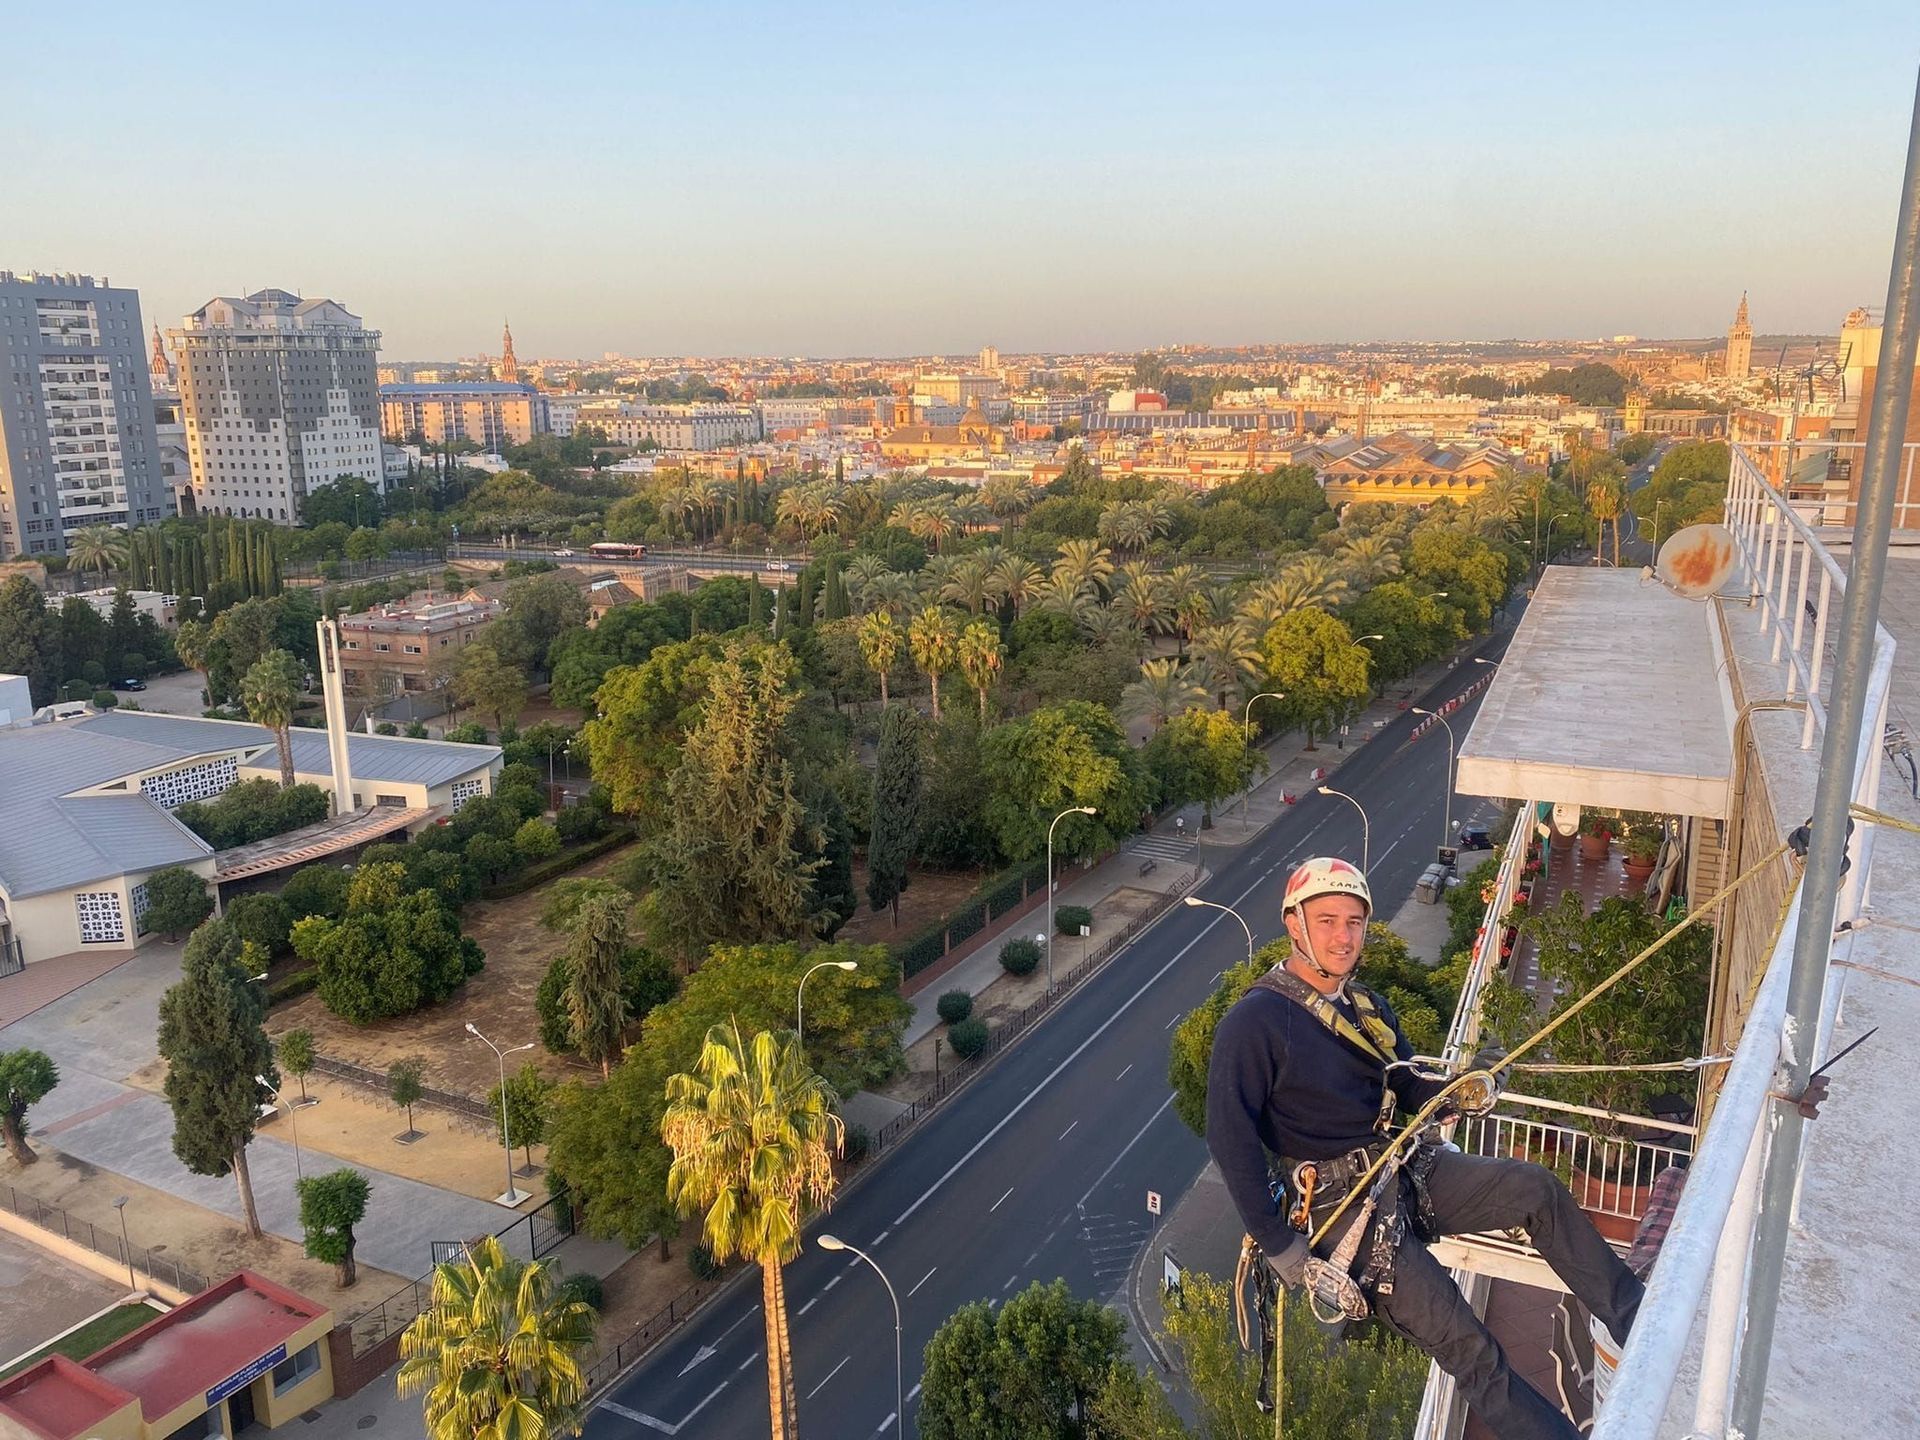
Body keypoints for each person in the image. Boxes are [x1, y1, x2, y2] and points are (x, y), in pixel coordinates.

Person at [1205, 856, 1642, 1440]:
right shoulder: (1255, 1022)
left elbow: (1407, 1086)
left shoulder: (1365, 1009)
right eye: (1328, 920)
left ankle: (1638, 1318)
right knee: (1472, 1350)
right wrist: (1278, 1241)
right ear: (1295, 925)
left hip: (1402, 1167)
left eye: (1355, 922)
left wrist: (1463, 1090)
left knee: (1534, 1190)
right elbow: (1227, 1132)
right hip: (1340, 1208)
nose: (1344, 936)